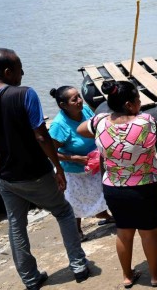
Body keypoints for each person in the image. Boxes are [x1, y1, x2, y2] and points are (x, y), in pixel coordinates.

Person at [0, 48, 89, 289]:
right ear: (8, 71)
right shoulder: (25, 94)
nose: (23, 72)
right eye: (19, 68)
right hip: (36, 173)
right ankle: (78, 266)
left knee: (16, 224)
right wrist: (57, 167)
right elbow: (41, 135)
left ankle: (30, 279)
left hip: (5, 177)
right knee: (64, 212)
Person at [77, 80, 157, 288]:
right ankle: (154, 276)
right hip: (145, 185)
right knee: (148, 232)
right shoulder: (146, 122)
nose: (140, 103)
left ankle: (127, 276)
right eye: (137, 100)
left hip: (114, 187)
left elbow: (82, 129)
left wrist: (105, 125)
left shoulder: (99, 121)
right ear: (129, 104)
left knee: (124, 232)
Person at [49, 86, 114, 240]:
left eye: (79, 96)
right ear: (63, 105)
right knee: (74, 201)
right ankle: (77, 231)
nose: (80, 101)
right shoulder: (59, 125)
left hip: (94, 163)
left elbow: (96, 128)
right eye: (74, 99)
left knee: (101, 190)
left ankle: (103, 214)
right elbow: (50, 152)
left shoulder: (85, 110)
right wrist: (74, 158)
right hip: (74, 170)